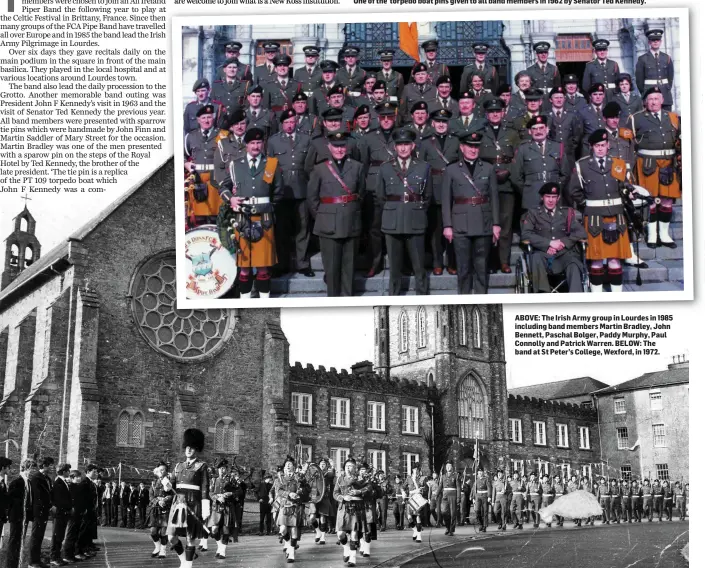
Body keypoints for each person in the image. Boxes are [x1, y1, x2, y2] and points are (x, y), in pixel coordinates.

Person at [569, 128, 639, 293]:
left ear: (608, 145)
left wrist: (631, 192)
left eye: (603, 145)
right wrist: (585, 204)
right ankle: (597, 297)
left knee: (615, 260)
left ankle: (617, 298)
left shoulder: (618, 164)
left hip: (617, 217)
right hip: (594, 218)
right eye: (596, 146)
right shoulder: (582, 166)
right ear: (591, 147)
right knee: (596, 260)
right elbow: (574, 191)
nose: (600, 148)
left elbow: (625, 185)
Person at [218, 127, 283, 299]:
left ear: (263, 144)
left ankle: (264, 301)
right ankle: (244, 301)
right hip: (242, 218)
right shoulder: (235, 165)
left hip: (264, 219)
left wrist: (268, 207)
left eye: (259, 142)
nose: (256, 146)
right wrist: (231, 199)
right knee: (244, 266)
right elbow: (223, 187)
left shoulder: (271, 163)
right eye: (252, 143)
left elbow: (278, 192)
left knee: (263, 266)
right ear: (246, 145)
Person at [442, 130, 500, 294]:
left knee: (482, 268)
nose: (473, 150)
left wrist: (496, 224)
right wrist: (447, 225)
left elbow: (494, 198)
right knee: (463, 268)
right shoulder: (452, 170)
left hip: (483, 222)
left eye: (476, 147)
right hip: (460, 224)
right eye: (469, 146)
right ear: (462, 147)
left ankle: (482, 301)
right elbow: (446, 200)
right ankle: (464, 301)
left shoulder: (488, 169)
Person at [307, 130, 365, 297]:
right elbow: (312, 198)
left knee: (349, 267)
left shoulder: (357, 167)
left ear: (346, 147)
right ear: (329, 147)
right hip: (328, 225)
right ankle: (333, 300)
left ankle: (348, 300)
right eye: (336, 146)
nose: (339, 150)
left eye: (342, 146)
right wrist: (324, 216)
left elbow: (360, 194)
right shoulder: (319, 169)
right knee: (331, 269)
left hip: (351, 222)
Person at [378, 128, 432, 296]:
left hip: (415, 220)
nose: (403, 148)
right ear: (394, 147)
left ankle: (422, 298)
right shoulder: (385, 167)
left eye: (406, 144)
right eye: (399, 145)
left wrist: (416, 210)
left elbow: (428, 196)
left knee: (419, 267)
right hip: (392, 222)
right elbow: (380, 196)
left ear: (413, 146)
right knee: (394, 268)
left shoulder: (423, 167)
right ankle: (393, 299)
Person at [630, 86, 680, 249]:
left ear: (662, 100)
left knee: (666, 201)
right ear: (645, 101)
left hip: (669, 163)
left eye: (656, 98)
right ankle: (652, 235)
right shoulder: (635, 118)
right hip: (647, 164)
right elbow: (626, 142)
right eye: (650, 99)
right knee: (650, 200)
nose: (653, 102)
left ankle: (664, 235)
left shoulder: (673, 117)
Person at [268, 109, 313, 277]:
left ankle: (303, 264)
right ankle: (282, 265)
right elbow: (270, 167)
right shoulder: (273, 142)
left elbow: (311, 166)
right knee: (281, 230)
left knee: (303, 228)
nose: (289, 125)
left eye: (292, 122)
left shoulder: (306, 139)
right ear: (282, 124)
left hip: (302, 190)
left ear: (296, 122)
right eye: (286, 122)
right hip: (282, 192)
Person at [478, 97, 521, 274]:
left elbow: (518, 157)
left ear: (503, 113)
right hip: (486, 184)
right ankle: (490, 261)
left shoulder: (512, 133)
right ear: (486, 114)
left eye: (497, 111)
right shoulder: (479, 132)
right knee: (487, 223)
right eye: (491, 112)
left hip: (506, 184)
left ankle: (504, 261)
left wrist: (509, 170)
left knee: (505, 224)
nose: (495, 114)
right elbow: (475, 158)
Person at [520, 182, 586, 293]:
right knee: (535, 259)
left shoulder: (566, 213)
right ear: (542, 197)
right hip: (543, 254)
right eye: (548, 197)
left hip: (564, 254)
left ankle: (576, 300)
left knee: (574, 263)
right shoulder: (533, 213)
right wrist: (549, 243)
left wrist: (562, 242)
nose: (551, 200)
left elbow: (581, 233)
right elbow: (526, 234)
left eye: (554, 197)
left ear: (558, 198)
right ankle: (543, 295)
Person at [419, 108, 459, 276]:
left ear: (448, 123)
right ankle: (437, 263)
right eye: (438, 122)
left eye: (444, 122)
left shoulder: (456, 140)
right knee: (435, 229)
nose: (441, 124)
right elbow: (421, 167)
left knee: (452, 228)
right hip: (434, 189)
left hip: (452, 189)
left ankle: (452, 262)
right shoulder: (426, 142)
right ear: (432, 123)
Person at [167, 429, 210, 568]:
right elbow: (169, 485)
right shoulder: (178, 466)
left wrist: (205, 509)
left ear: (196, 449)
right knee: (171, 537)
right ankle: (184, 560)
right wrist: (165, 482)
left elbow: (205, 489)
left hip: (193, 503)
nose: (189, 450)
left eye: (191, 447)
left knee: (190, 538)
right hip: (178, 504)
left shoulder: (202, 466)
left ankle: (188, 565)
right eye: (187, 447)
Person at [511, 115, 567, 212]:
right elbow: (516, 177)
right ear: (529, 131)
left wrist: (556, 189)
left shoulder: (558, 147)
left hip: (554, 197)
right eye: (534, 129)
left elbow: (565, 173)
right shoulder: (523, 149)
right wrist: (527, 190)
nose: (538, 131)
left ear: (547, 129)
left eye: (541, 128)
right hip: (532, 196)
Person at [184, 104, 222, 225]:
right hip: (197, 180)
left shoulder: (222, 135)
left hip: (215, 180)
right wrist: (186, 164)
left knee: (215, 217)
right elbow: (182, 156)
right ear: (198, 120)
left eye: (209, 117)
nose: (206, 120)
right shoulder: (190, 137)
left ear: (213, 118)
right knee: (198, 219)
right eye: (203, 118)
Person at [275, 456, 309, 564]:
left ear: (294, 467)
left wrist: (301, 489)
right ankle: (289, 544)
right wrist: (289, 494)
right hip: (285, 506)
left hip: (296, 507)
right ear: (284, 468)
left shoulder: (299, 478)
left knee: (294, 530)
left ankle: (292, 553)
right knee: (283, 530)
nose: (289, 467)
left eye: (291, 465)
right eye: (287, 465)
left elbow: (307, 490)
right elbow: (279, 491)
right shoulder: (280, 479)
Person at [207, 459, 241, 559]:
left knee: (226, 530)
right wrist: (217, 497)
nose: (222, 470)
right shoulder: (213, 480)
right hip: (216, 508)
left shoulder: (231, 479)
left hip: (227, 507)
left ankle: (222, 552)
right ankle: (220, 546)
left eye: (224, 468)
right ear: (218, 470)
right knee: (214, 529)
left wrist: (230, 494)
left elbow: (239, 491)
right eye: (221, 468)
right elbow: (210, 493)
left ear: (227, 469)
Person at [635, 29, 675, 111]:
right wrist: (645, 94)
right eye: (653, 40)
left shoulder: (666, 58)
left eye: (657, 40)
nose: (655, 42)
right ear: (649, 42)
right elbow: (639, 80)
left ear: (660, 42)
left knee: (666, 119)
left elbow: (670, 76)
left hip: (665, 94)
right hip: (649, 93)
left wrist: (667, 88)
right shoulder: (642, 59)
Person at [27, 456, 54, 568]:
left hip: (44, 510)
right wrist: (48, 506)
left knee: (40, 536)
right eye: (51, 465)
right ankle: (32, 561)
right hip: (39, 511)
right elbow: (38, 496)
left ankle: (37, 560)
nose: (53, 467)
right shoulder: (36, 478)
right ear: (44, 466)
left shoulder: (46, 478)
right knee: (36, 535)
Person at [147, 461, 173, 559]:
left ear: (166, 471)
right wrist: (157, 501)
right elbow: (151, 496)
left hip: (166, 510)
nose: (161, 472)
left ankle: (163, 550)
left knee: (163, 532)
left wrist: (165, 499)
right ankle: (157, 547)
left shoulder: (169, 482)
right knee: (153, 531)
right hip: (155, 509)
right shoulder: (154, 483)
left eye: (163, 470)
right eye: (159, 470)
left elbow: (173, 494)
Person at [50, 463, 73, 567]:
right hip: (60, 513)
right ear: (64, 472)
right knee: (57, 536)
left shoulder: (63, 482)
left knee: (60, 535)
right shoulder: (59, 483)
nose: (69, 472)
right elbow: (60, 500)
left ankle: (57, 556)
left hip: (63, 513)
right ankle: (54, 557)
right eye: (68, 471)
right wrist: (68, 508)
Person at [404, 462, 429, 543]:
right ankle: (415, 530)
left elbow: (426, 489)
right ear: (412, 469)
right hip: (410, 499)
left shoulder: (422, 478)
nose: (416, 471)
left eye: (417, 469)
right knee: (409, 517)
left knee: (418, 517)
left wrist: (421, 490)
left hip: (418, 499)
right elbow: (403, 487)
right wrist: (404, 492)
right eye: (415, 469)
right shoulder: (409, 478)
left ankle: (419, 536)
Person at [312, 458, 336, 543]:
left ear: (326, 466)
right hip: (314, 497)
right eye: (321, 463)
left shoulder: (327, 474)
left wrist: (333, 465)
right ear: (318, 465)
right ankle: (318, 532)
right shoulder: (314, 473)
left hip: (324, 497)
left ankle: (322, 537)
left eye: (324, 464)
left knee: (323, 518)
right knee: (312, 517)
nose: (322, 465)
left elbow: (332, 474)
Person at [471, 467, 491, 531]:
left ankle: (484, 526)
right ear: (477, 473)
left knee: (485, 511)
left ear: (483, 473)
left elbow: (489, 488)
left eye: (481, 472)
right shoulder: (476, 480)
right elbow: (474, 489)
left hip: (485, 496)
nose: (480, 474)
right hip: (478, 496)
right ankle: (481, 523)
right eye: (479, 473)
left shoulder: (486, 479)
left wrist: (489, 496)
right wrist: (473, 497)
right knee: (477, 511)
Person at [257, 472, 273, 536]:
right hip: (262, 502)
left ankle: (268, 531)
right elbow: (256, 492)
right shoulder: (261, 485)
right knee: (262, 518)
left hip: (269, 503)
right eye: (269, 478)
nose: (270, 479)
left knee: (268, 518)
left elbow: (272, 493)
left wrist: (272, 499)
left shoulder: (271, 485)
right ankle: (261, 531)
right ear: (267, 478)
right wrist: (259, 499)